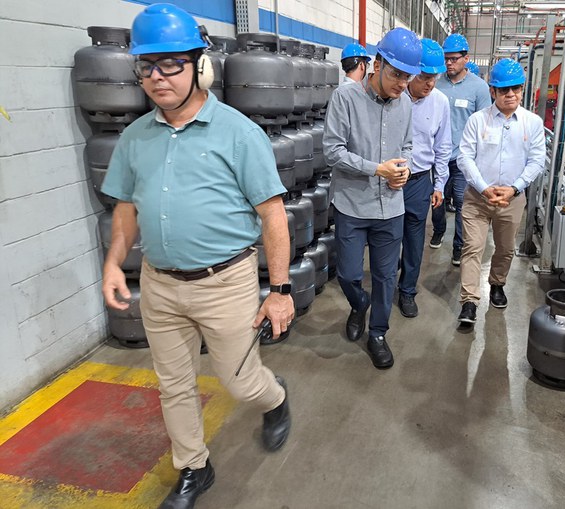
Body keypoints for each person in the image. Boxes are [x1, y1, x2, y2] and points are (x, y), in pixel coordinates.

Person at [100, 5, 293, 508]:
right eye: (147, 66)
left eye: (171, 64)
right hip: (161, 285)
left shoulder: (238, 133)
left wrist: (279, 291)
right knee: (174, 385)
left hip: (224, 283)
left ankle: (275, 398)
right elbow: (126, 207)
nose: (158, 77)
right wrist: (113, 263)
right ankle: (194, 467)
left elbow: (273, 215)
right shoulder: (134, 137)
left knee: (239, 381)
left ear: (198, 66)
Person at [323, 27, 420, 369]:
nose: (401, 84)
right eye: (396, 75)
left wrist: (404, 169)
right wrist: (376, 169)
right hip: (352, 205)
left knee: (385, 278)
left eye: (408, 78)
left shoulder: (405, 104)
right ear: (377, 64)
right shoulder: (345, 99)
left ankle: (378, 333)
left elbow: (407, 146)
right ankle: (357, 303)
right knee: (349, 274)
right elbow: (332, 152)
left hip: (390, 208)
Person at [456, 58, 545, 325]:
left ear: (522, 89)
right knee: (472, 247)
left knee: (505, 248)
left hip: (513, 199)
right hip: (477, 198)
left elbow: (537, 160)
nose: (510, 95)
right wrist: (484, 189)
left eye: (516, 89)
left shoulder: (532, 123)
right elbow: (464, 157)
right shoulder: (477, 120)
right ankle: (469, 301)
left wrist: (514, 188)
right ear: (492, 91)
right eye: (504, 90)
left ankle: (497, 283)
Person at [397, 39, 452, 318]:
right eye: (424, 77)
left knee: (415, 239)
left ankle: (407, 291)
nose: (430, 84)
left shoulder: (440, 102)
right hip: (389, 180)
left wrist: (439, 184)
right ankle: (386, 283)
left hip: (420, 181)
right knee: (388, 237)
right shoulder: (395, 96)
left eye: (434, 78)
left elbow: (443, 146)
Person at [431, 33, 492, 266]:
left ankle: (458, 246)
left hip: (463, 159)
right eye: (446, 59)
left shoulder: (479, 88)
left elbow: (485, 125)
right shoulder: (436, 83)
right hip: (438, 157)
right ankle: (438, 230)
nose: (449, 63)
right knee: (436, 200)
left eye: (454, 59)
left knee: (462, 204)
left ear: (466, 58)